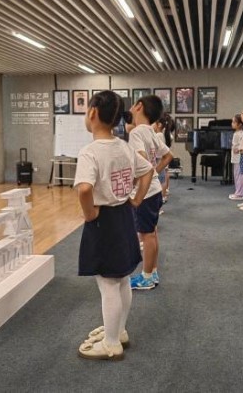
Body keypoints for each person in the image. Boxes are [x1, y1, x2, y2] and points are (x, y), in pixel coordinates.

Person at [74, 91, 154, 361]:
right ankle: (119, 331)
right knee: (122, 279)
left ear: (93, 113)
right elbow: (148, 170)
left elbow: (85, 189)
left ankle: (111, 343)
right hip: (124, 216)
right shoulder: (124, 146)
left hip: (103, 221)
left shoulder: (90, 152)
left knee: (107, 284)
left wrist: (89, 214)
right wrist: (137, 199)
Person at [128, 95, 173, 290]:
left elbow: (141, 160)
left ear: (139, 107)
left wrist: (134, 183)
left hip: (145, 192)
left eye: (133, 105)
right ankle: (152, 272)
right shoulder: (150, 132)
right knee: (152, 233)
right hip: (154, 190)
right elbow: (168, 155)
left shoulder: (137, 133)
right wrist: (154, 172)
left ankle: (146, 277)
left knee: (146, 235)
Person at [228, 113, 243, 200]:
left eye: (234, 122)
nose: (232, 124)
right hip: (235, 157)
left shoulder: (240, 134)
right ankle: (237, 191)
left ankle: (240, 193)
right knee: (236, 174)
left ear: (240, 124)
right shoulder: (236, 133)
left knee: (239, 175)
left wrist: (238, 149)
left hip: (239, 157)